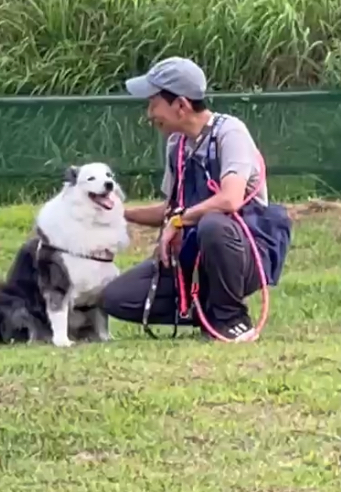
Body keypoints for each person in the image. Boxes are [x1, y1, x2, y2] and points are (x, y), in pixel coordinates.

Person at [100, 56, 292, 342]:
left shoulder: (230, 133)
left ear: (181, 105)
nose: (149, 114)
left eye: (153, 104)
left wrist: (179, 221)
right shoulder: (176, 144)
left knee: (213, 224)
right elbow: (171, 209)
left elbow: (230, 200)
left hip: (242, 250)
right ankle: (208, 311)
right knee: (116, 297)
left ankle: (231, 319)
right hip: (193, 255)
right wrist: (118, 212)